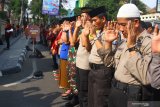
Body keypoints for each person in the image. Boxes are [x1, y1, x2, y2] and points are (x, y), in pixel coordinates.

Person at [96, 4, 154, 107]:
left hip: (134, 97)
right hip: (116, 92)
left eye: (123, 24)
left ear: (136, 22)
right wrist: (108, 43)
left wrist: (132, 47)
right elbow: (109, 63)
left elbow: (146, 77)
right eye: (119, 24)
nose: (120, 29)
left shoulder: (150, 43)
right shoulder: (124, 41)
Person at [83, 6, 114, 107]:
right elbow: (88, 49)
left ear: (103, 19)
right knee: (91, 100)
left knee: (100, 102)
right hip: (93, 71)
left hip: (102, 72)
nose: (92, 23)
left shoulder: (111, 33)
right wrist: (87, 36)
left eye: (94, 20)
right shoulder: (98, 32)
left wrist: (95, 37)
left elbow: (105, 55)